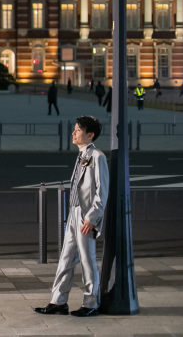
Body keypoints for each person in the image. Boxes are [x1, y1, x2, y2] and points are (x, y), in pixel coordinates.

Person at [34, 115, 108, 318]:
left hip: (86, 216)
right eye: (74, 129)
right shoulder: (82, 155)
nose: (73, 132)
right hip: (74, 212)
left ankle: (91, 302)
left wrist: (92, 218)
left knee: (87, 259)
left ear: (90, 135)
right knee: (66, 257)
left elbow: (102, 192)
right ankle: (58, 301)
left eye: (78, 129)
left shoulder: (98, 157)